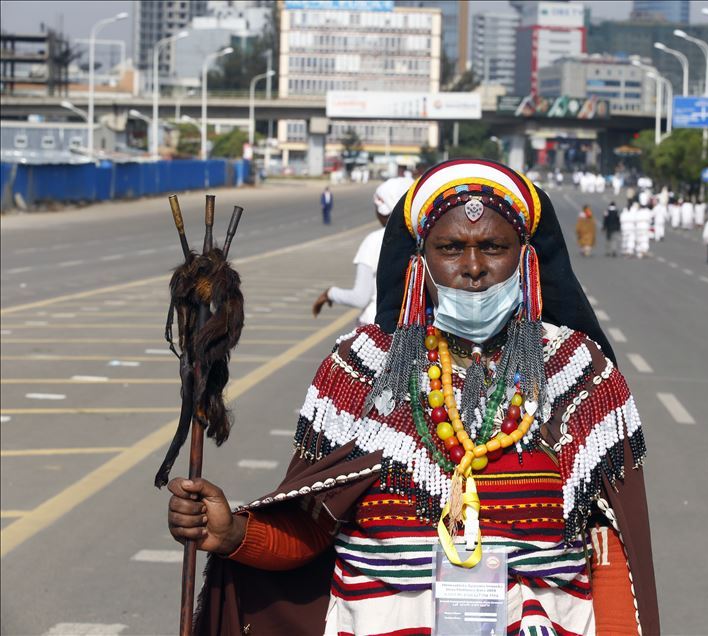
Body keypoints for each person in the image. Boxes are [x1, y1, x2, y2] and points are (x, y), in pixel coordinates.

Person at [168, 159, 659, 635]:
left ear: (526, 257)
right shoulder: (360, 368)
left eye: (493, 246)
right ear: (419, 262)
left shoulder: (577, 370)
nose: (472, 267)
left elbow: (608, 547)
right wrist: (234, 533)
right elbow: (313, 528)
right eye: (450, 248)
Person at [312, 177, 414, 326]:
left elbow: (360, 297)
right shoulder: (422, 239)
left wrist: (330, 293)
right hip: (413, 329)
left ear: (383, 210)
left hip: (376, 328)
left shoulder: (374, 240)